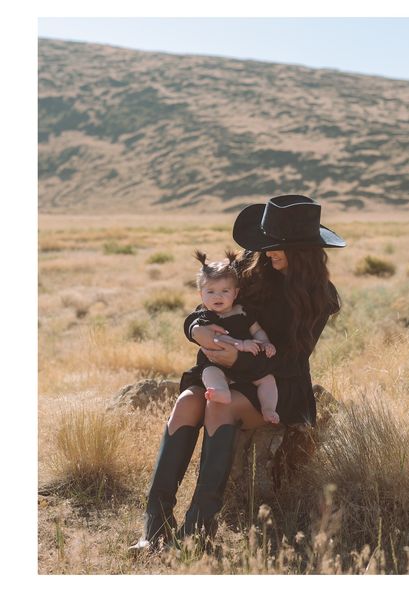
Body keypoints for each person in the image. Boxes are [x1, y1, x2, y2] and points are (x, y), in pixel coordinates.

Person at [129, 194, 346, 553]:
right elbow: (210, 305)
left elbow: (293, 360)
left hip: (277, 383)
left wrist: (238, 361)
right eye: (266, 244)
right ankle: (154, 530)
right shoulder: (252, 268)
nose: (266, 252)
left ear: (303, 251)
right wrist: (194, 328)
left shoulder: (318, 296)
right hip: (224, 369)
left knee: (219, 406)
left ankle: (196, 533)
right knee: (186, 403)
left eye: (276, 247)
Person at [182, 248, 279, 424]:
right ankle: (221, 392)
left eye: (225, 291)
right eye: (210, 292)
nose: (217, 296)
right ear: (201, 295)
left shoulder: (243, 312)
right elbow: (218, 340)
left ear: (235, 293)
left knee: (267, 380)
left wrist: (265, 343)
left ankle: (268, 408)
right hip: (217, 363)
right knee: (210, 372)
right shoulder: (206, 318)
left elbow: (257, 330)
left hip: (247, 365)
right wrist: (241, 344)